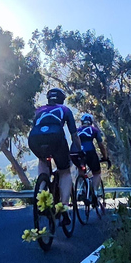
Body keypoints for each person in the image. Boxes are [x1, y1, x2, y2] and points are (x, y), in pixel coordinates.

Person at [27, 88, 81, 226]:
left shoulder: (38, 110)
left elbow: (35, 127)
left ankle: (42, 191)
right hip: (56, 138)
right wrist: (79, 150)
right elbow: (74, 135)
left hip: (35, 139)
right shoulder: (65, 110)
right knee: (64, 171)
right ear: (62, 99)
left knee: (43, 161)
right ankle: (63, 207)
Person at [77, 113, 110, 202]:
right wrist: (105, 157)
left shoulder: (77, 130)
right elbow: (101, 145)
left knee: (81, 170)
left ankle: (83, 190)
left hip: (77, 153)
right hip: (90, 152)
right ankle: (94, 192)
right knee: (97, 173)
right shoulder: (94, 130)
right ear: (91, 122)